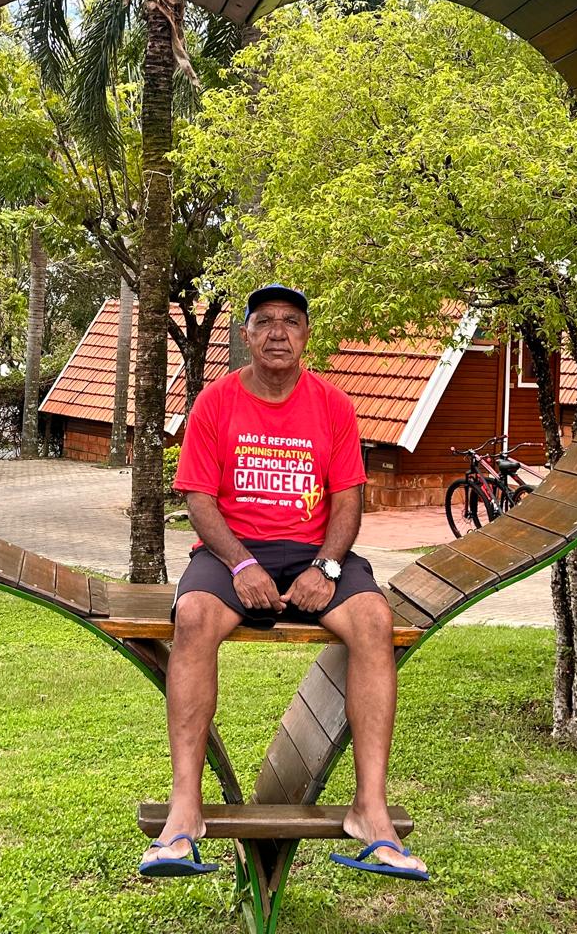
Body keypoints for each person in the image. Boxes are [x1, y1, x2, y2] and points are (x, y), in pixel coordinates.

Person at [138, 285, 428, 881]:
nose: (277, 332)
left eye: (291, 321)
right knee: (192, 616)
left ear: (306, 336)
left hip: (313, 552)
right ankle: (185, 809)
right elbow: (199, 499)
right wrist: (242, 565)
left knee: (375, 619)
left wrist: (326, 567)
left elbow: (347, 501)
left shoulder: (333, 405)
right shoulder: (215, 403)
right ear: (245, 335)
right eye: (264, 321)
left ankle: (370, 810)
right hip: (232, 549)